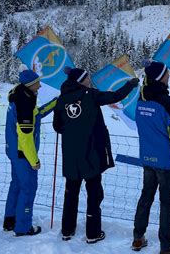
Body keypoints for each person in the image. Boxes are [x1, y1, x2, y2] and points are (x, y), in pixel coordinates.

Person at [53, 67, 138, 244]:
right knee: (93, 193)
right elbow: (115, 97)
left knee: (71, 193)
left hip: (71, 155)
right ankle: (93, 233)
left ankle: (67, 230)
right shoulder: (90, 95)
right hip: (91, 153)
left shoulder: (61, 100)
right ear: (80, 81)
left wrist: (72, 129)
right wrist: (130, 85)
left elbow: (57, 126)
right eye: (87, 79)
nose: (89, 81)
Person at [132, 61, 170, 254]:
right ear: (160, 77)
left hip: (147, 157)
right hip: (167, 160)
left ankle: (138, 237)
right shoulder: (168, 103)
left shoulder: (141, 97)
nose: (169, 76)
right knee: (166, 203)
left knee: (146, 196)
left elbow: (153, 117)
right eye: (166, 74)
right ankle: (166, 247)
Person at [3, 69, 56, 236]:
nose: (40, 86)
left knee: (16, 185)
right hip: (23, 154)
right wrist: (34, 160)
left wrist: (55, 102)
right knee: (28, 188)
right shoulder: (24, 104)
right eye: (37, 83)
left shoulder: (20, 97)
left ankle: (10, 220)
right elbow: (25, 138)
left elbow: (37, 114)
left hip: (14, 151)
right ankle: (23, 226)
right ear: (30, 85)